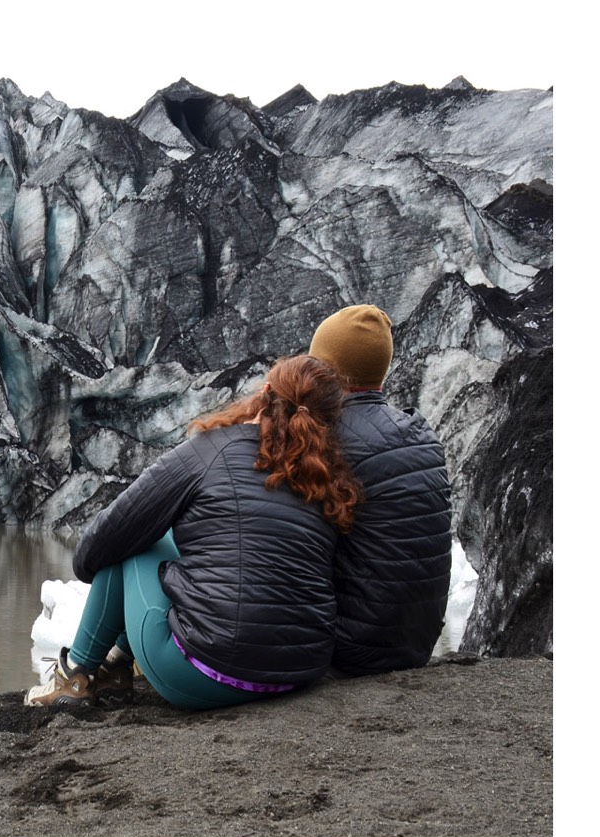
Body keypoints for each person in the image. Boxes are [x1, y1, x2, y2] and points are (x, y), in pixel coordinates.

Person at [25, 354, 361, 710]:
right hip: (298, 674)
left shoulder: (212, 450)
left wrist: (99, 575)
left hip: (203, 675)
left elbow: (106, 537)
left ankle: (75, 677)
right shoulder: (331, 481)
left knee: (131, 536)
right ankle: (113, 671)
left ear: (264, 393)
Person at [307, 304, 452, 676]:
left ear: (324, 370)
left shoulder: (326, 442)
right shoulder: (422, 434)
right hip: (416, 643)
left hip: (352, 647)